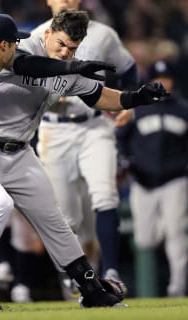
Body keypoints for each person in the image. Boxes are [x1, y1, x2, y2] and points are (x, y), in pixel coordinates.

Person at [0, 9, 168, 312]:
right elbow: (30, 66)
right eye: (62, 44)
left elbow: (98, 96)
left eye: (74, 48)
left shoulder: (67, 67)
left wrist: (137, 97)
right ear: (48, 33)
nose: (66, 52)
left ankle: (90, 289)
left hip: (20, 153)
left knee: (55, 223)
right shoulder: (18, 51)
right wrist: (72, 64)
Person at [36, 0, 139, 285]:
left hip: (95, 125)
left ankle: (112, 272)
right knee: (67, 217)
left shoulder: (103, 34)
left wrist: (128, 105)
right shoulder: (37, 36)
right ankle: (78, 274)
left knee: (105, 196)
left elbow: (129, 71)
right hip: (53, 130)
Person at [116, 60, 188, 297]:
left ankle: (177, 286)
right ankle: (163, 226)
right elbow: (119, 138)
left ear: (174, 80)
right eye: (159, 78)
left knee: (176, 232)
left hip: (175, 179)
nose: (163, 82)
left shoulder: (187, 110)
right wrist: (125, 159)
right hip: (142, 180)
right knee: (145, 239)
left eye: (167, 78)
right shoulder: (136, 107)